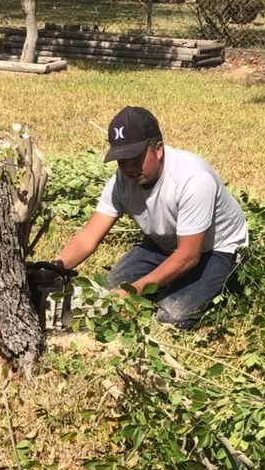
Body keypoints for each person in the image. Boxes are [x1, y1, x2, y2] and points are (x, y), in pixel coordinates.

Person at [54, 106, 248, 328]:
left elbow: (188, 255)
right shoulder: (122, 180)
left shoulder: (193, 179)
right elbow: (89, 236)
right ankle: (166, 282)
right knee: (108, 292)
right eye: (121, 159)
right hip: (164, 243)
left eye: (135, 158)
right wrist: (52, 270)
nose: (128, 168)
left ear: (158, 149)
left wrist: (134, 292)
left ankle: (219, 282)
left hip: (214, 250)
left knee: (170, 316)